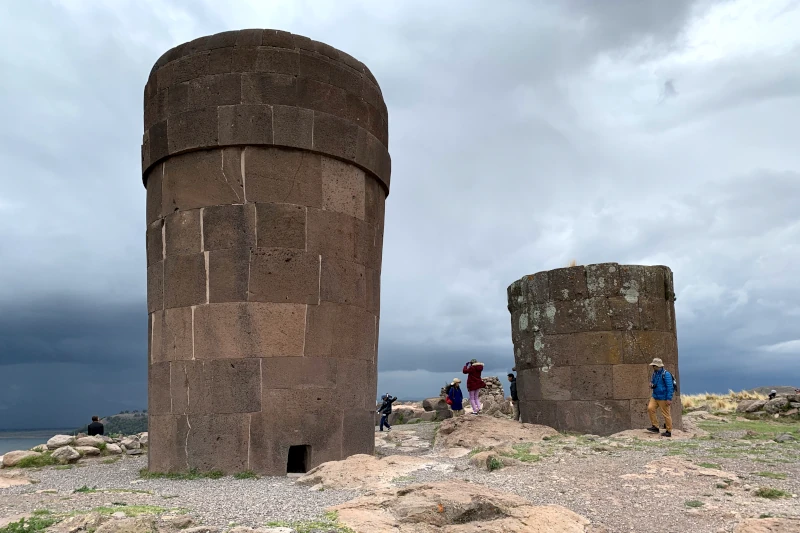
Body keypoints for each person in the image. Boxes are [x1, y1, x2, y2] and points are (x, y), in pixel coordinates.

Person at [646, 358, 674, 437]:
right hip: (655, 396)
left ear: (657, 366)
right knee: (650, 408)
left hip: (663, 397)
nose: (653, 367)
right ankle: (655, 426)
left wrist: (669, 398)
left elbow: (670, 387)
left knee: (666, 414)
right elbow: (653, 382)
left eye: (654, 365)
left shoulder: (666, 374)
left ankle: (668, 431)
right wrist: (651, 384)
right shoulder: (654, 373)